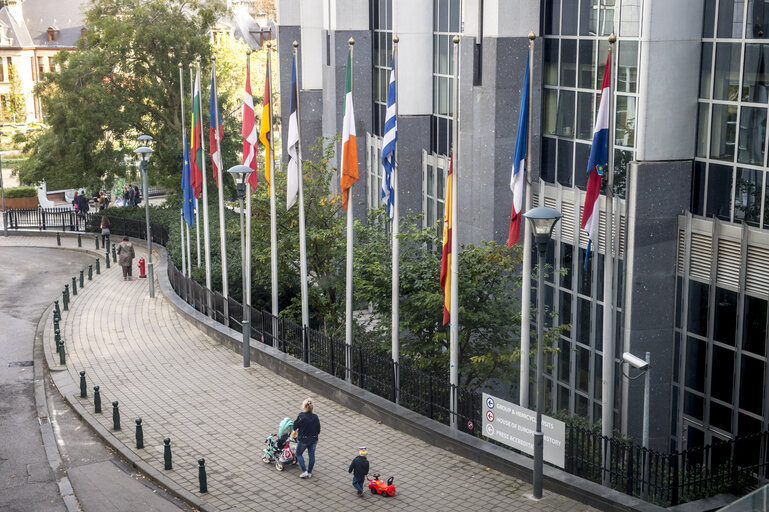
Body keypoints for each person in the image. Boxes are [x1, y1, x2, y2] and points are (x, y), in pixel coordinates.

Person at [293, 398, 320, 479]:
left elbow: (295, 426)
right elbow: (318, 429)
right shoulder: (315, 417)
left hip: (303, 439)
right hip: (314, 439)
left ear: (304, 407)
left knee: (299, 454)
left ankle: (304, 471)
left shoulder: (301, 416)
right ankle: (310, 472)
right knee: (311, 455)